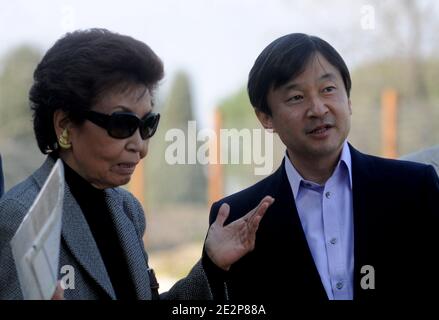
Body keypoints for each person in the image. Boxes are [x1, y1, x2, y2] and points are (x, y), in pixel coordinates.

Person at [0, 29, 274, 300]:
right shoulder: (19, 218)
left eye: (147, 125)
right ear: (65, 125)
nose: (140, 146)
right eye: (122, 124)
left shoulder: (126, 209)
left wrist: (211, 266)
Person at [208, 33, 439, 301]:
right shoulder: (238, 217)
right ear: (265, 117)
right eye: (296, 97)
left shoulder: (414, 188)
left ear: (348, 100)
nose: (317, 109)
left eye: (328, 89)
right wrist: (213, 268)